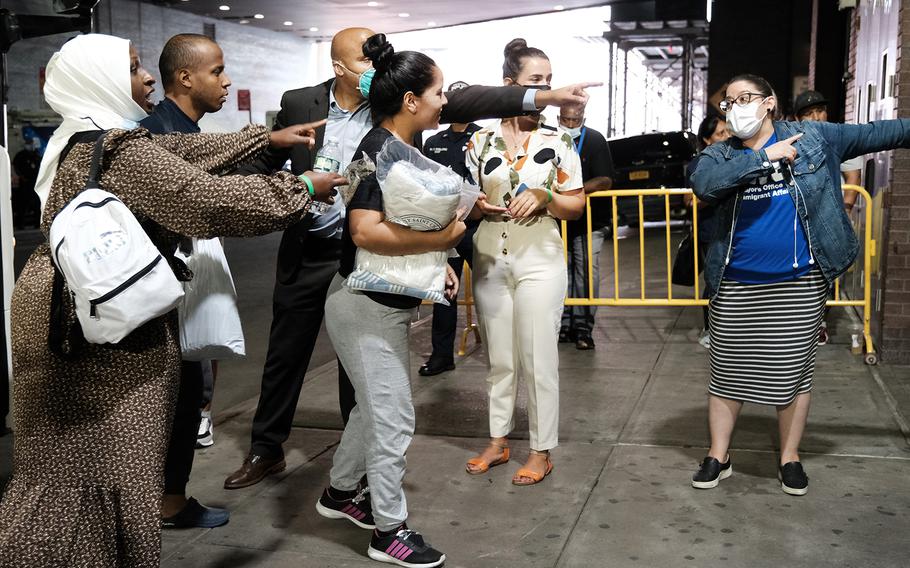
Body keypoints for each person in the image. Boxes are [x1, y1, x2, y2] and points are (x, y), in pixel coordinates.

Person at [0, 33, 344, 567]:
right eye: (135, 68)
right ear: (101, 79)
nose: (146, 79)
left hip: (61, 306)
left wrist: (265, 141)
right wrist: (300, 190)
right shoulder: (116, 147)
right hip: (95, 325)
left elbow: (180, 150)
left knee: (64, 463)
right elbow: (203, 200)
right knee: (112, 460)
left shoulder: (85, 136)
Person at [226, 27, 599, 490]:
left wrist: (542, 97)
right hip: (318, 250)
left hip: (382, 261)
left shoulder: (397, 121)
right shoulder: (310, 107)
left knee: (370, 387)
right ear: (340, 68)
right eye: (365, 63)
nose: (376, 70)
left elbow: (467, 103)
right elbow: (290, 177)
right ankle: (275, 452)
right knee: (293, 358)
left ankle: (358, 475)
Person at [689, 73, 910, 496]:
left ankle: (789, 456)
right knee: (727, 372)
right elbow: (704, 186)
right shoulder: (720, 156)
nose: (736, 107)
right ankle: (719, 454)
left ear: (769, 102)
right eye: (728, 103)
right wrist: (766, 157)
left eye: (746, 98)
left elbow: (880, 131)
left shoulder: (814, 137)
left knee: (792, 373)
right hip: (736, 279)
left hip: (799, 280)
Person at [315, 33, 461, 567]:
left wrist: (438, 262)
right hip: (363, 307)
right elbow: (364, 232)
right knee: (394, 418)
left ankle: (339, 493)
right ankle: (388, 531)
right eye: (439, 92)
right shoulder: (378, 151)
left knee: (373, 412)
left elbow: (406, 221)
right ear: (411, 100)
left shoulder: (401, 148)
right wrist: (442, 242)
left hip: (387, 306)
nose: (444, 101)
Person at [464, 39, 585, 486]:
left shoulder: (559, 140)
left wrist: (546, 195)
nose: (547, 89)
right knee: (500, 359)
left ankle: (541, 449)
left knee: (538, 359)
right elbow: (466, 201)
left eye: (549, 81)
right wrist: (476, 206)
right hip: (491, 257)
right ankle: (498, 442)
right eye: (537, 81)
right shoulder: (479, 141)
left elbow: (577, 205)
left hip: (541, 258)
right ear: (509, 85)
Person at [140, 33, 233, 529]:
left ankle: (168, 500)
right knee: (173, 397)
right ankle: (163, 505)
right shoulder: (155, 135)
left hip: (172, 280)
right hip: (149, 290)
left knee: (187, 391)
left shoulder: (184, 131)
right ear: (186, 77)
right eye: (217, 71)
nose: (226, 80)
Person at [418, 80, 481, 376]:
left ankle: (504, 353)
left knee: (492, 291)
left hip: (478, 227)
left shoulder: (485, 138)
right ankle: (442, 355)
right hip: (446, 228)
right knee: (445, 293)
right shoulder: (433, 142)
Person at [793, 89, 864, 345]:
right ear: (798, 119)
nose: (817, 116)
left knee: (828, 270)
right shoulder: (793, 141)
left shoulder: (837, 136)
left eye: (820, 110)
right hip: (801, 220)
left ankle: (820, 322)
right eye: (809, 113)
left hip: (830, 218)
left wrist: (844, 209)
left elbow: (853, 175)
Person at [557, 103, 614, 350]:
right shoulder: (552, 139)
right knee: (563, 275)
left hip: (591, 222)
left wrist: (573, 191)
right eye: (566, 120)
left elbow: (605, 180)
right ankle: (565, 325)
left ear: (583, 118)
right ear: (558, 118)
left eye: (575, 120)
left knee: (586, 274)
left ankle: (583, 328)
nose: (570, 125)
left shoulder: (595, 139)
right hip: (560, 221)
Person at [684, 115, 730, 349]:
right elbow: (689, 201)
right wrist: (715, 189)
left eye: (727, 131)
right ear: (707, 139)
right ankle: (710, 328)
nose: (726, 136)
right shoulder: (699, 164)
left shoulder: (738, 157)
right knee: (714, 280)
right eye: (720, 133)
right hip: (711, 232)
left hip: (737, 232)